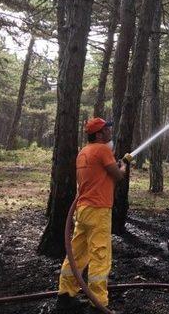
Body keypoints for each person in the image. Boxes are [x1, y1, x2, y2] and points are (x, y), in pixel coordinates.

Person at [56, 117, 126, 314]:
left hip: (83, 209)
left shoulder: (83, 152)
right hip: (98, 210)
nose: (110, 132)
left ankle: (65, 295)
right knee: (100, 255)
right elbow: (117, 175)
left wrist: (116, 163)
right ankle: (99, 303)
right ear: (99, 134)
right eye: (107, 129)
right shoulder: (103, 150)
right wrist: (124, 165)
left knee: (76, 253)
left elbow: (99, 174)